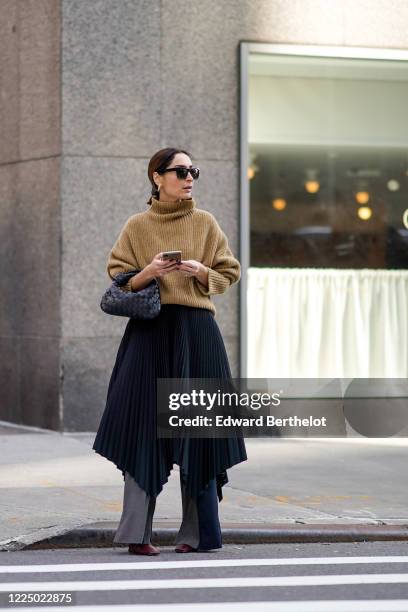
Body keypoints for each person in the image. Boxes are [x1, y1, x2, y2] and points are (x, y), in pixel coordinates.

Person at [92, 147, 247, 555]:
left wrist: (201, 272)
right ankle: (136, 535)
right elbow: (118, 279)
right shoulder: (137, 226)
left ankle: (199, 535)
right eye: (180, 171)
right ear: (157, 177)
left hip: (197, 334)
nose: (188, 177)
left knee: (199, 430)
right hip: (149, 333)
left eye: (193, 170)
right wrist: (151, 272)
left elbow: (230, 272)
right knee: (142, 425)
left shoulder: (206, 223)